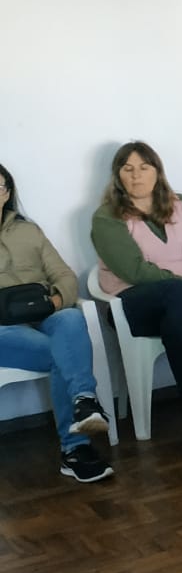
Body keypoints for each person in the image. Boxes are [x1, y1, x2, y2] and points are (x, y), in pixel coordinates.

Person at [91, 141, 182, 458]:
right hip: (134, 307)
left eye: (144, 167)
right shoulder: (107, 217)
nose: (136, 175)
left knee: (177, 324)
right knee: (178, 294)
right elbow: (135, 270)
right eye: (127, 169)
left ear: (157, 171)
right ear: (117, 176)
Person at [0, 163, 112, 482]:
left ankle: (83, 404)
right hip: (3, 330)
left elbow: (62, 274)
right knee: (64, 354)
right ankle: (76, 444)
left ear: (7, 194)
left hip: (42, 314)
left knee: (71, 319)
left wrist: (56, 301)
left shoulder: (27, 230)